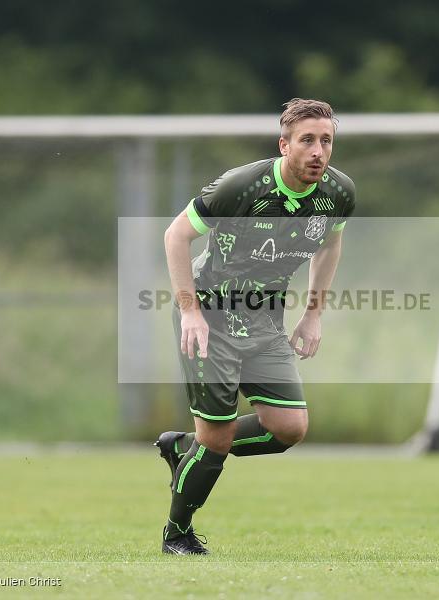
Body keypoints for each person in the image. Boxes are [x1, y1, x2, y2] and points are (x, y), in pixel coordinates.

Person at [156, 98, 356, 554]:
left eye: (326, 141)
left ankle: (186, 448)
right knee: (217, 436)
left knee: (288, 428)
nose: (318, 151)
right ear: (284, 145)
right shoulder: (242, 187)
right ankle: (177, 532)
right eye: (307, 140)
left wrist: (313, 314)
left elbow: (329, 247)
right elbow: (176, 236)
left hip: (265, 318)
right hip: (209, 315)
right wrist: (189, 311)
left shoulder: (338, 193)